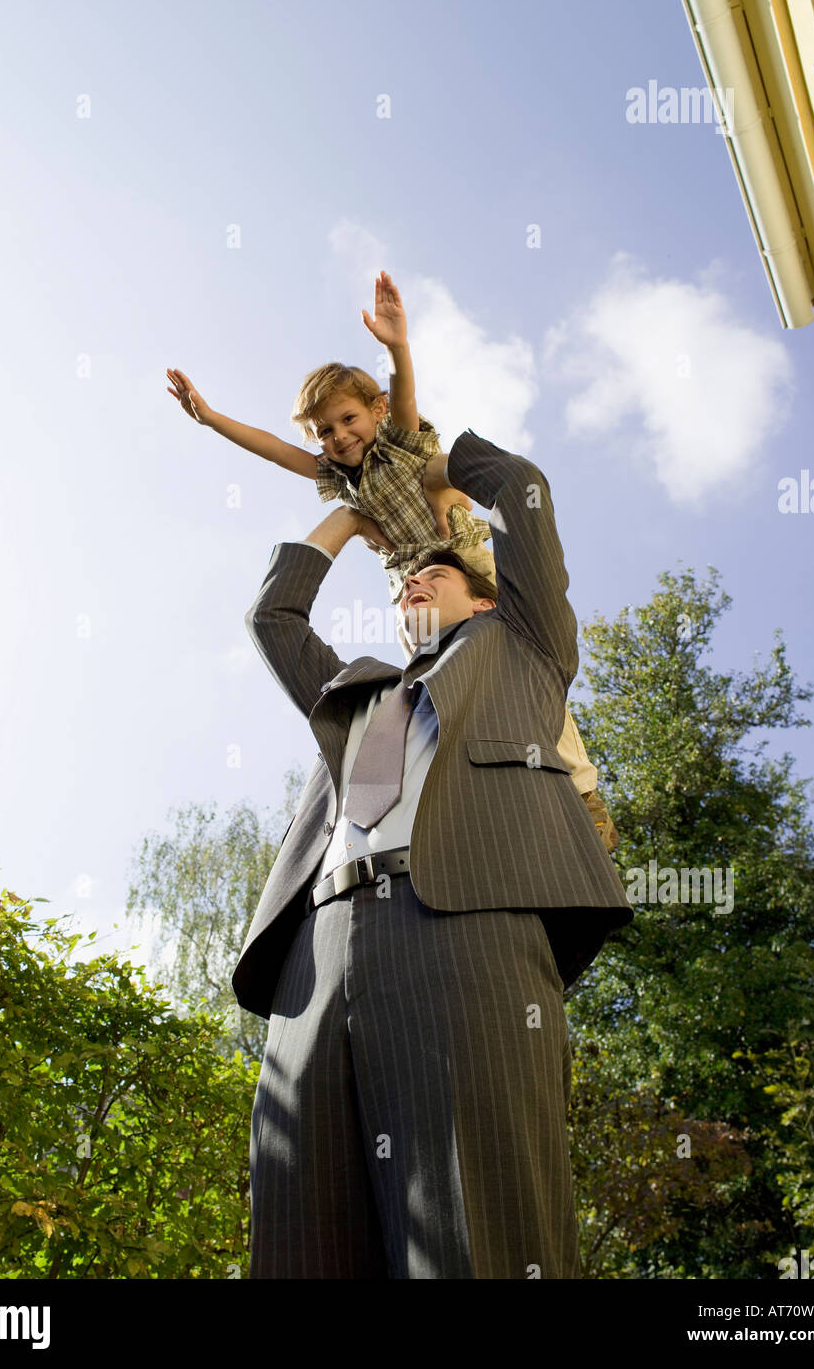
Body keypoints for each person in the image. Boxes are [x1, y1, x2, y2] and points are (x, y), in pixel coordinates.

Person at [229, 425, 634, 1278]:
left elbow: (521, 490)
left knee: (476, 1224)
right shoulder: (353, 694)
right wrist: (345, 516)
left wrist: (438, 471)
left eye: (436, 572)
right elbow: (273, 615)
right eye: (406, 577)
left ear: (484, 599)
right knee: (298, 1232)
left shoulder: (521, 648)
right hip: (317, 956)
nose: (413, 578)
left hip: (461, 923)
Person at [166, 270, 618, 848]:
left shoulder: (398, 438)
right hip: (412, 583)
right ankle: (456, 785)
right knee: (431, 684)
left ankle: (582, 792)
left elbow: (404, 394)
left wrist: (397, 346)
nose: (338, 436)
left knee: (515, 671)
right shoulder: (336, 477)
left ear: (374, 412)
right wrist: (212, 419)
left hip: (462, 554)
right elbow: (277, 451)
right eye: (325, 431)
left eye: (348, 419)